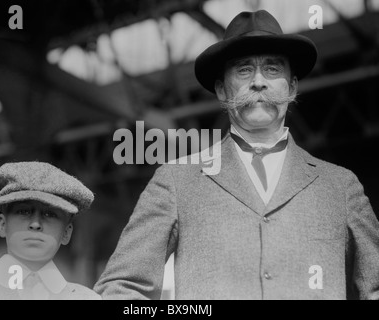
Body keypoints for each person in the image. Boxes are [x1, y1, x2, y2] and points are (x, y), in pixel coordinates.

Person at [94, 10, 379, 300]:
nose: (258, 81)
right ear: (221, 89)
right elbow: (119, 288)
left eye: (272, 69)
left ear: (292, 86)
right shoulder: (176, 180)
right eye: (244, 70)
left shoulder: (340, 187)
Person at [0, 161, 101, 300]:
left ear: (66, 233)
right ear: (2, 225)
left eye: (50, 214)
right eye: (24, 212)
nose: (35, 224)